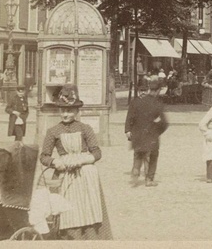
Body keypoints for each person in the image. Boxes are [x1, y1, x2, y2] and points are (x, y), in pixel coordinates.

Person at [39, 84, 112, 239]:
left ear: (77, 111)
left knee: (88, 209)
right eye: (63, 110)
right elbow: (43, 156)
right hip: (64, 176)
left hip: (86, 176)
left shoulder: (85, 129)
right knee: (68, 212)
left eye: (70, 110)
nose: (65, 114)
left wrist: (83, 159)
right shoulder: (53, 131)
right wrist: (54, 162)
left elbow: (97, 152)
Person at [124, 79, 169, 187]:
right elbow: (165, 122)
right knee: (153, 156)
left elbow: (130, 117)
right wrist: (157, 131)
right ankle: (149, 179)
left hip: (138, 134)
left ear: (149, 89)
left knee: (138, 155)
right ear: (157, 90)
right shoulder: (157, 103)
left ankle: (135, 176)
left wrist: (129, 130)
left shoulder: (137, 102)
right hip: (152, 135)